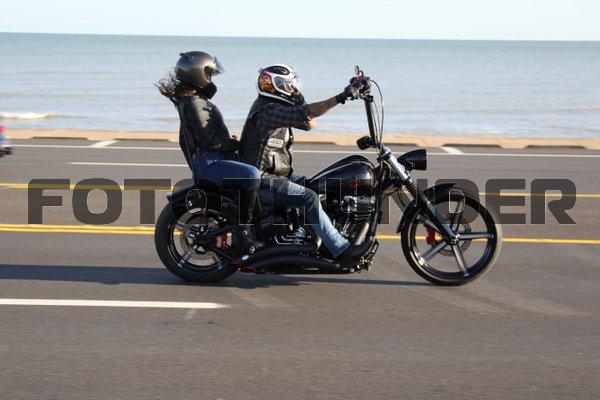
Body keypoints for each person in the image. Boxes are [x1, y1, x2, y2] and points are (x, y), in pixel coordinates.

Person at [239, 64, 373, 264]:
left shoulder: (277, 107)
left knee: (316, 186)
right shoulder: (268, 111)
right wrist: (342, 96)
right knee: (309, 198)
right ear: (272, 85)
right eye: (288, 85)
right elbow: (308, 113)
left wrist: (298, 97)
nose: (292, 88)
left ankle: (308, 233)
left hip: (276, 175)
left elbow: (310, 124)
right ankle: (341, 250)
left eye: (293, 85)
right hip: (264, 181)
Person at [156, 51, 261, 226]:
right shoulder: (195, 102)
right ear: (198, 74)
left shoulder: (193, 100)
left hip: (211, 161)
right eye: (209, 74)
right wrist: (236, 144)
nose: (211, 79)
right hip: (210, 164)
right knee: (252, 175)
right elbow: (209, 140)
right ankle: (245, 225)